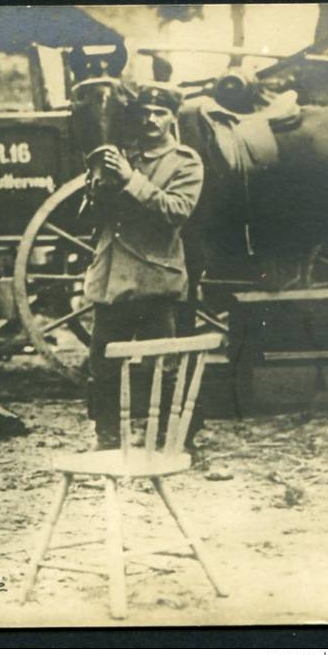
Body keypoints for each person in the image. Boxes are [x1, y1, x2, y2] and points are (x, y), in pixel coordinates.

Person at [84, 83, 204, 450]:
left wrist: (129, 180)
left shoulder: (185, 162)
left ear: (172, 117)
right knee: (102, 366)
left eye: (159, 113)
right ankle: (107, 440)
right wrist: (97, 186)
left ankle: (176, 441)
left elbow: (176, 211)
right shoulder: (124, 156)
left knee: (162, 368)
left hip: (154, 278)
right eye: (145, 113)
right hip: (112, 278)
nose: (151, 120)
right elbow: (96, 218)